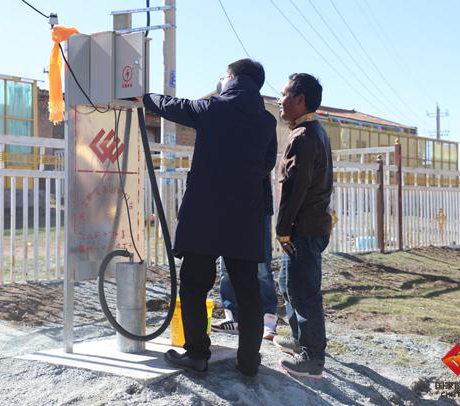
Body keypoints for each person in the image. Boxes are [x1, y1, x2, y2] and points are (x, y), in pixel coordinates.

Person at [142, 59, 277, 378]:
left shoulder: (213, 107)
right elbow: (267, 163)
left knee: (193, 285)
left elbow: (174, 106)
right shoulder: (267, 122)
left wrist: (143, 97)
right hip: (244, 218)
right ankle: (248, 362)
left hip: (205, 216)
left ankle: (198, 355)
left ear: (232, 78)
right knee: (248, 291)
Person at [272, 73, 333, 379]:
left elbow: (295, 189)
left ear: (299, 99)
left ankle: (313, 358)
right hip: (309, 226)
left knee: (305, 292)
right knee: (289, 284)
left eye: (283, 95)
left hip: (303, 229)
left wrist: (282, 229)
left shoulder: (305, 137)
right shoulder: (312, 132)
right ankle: (300, 340)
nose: (278, 101)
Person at [212, 210, 278, 340]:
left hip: (257, 206)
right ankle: (233, 318)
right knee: (226, 266)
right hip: (227, 206)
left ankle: (268, 321)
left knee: (261, 268)